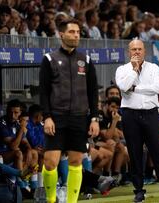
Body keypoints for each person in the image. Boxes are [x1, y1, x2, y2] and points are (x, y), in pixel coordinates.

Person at [39, 19, 100, 203]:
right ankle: (51, 200)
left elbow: (93, 92)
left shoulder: (86, 60)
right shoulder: (49, 59)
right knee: (50, 162)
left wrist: (94, 118)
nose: (76, 35)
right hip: (56, 117)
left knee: (76, 162)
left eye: (78, 32)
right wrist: (47, 117)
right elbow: (43, 92)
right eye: (72, 32)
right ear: (61, 34)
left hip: (79, 118)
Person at [115, 39, 159, 202]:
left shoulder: (154, 68)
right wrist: (134, 71)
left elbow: (156, 89)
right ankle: (138, 191)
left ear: (145, 51)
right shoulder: (122, 70)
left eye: (139, 49)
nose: (136, 52)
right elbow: (123, 87)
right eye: (133, 49)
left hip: (151, 114)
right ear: (129, 52)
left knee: (158, 152)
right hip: (130, 115)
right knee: (135, 154)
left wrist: (134, 88)